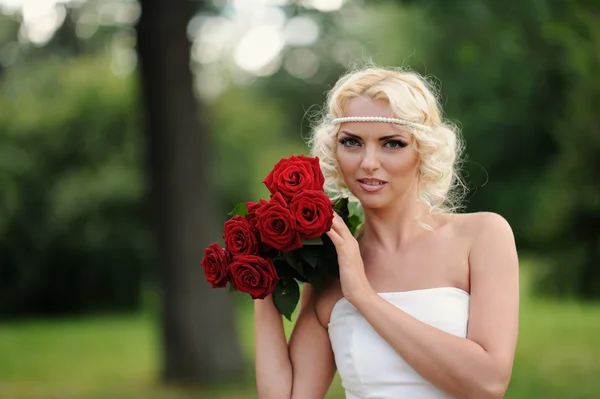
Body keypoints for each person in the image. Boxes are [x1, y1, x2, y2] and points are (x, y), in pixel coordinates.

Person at [253, 65, 519, 399]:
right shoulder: (328, 265)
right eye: (352, 142)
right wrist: (260, 277)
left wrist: (363, 296)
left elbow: (488, 384)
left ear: (422, 150)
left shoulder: (482, 236)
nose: (368, 162)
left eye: (391, 144)